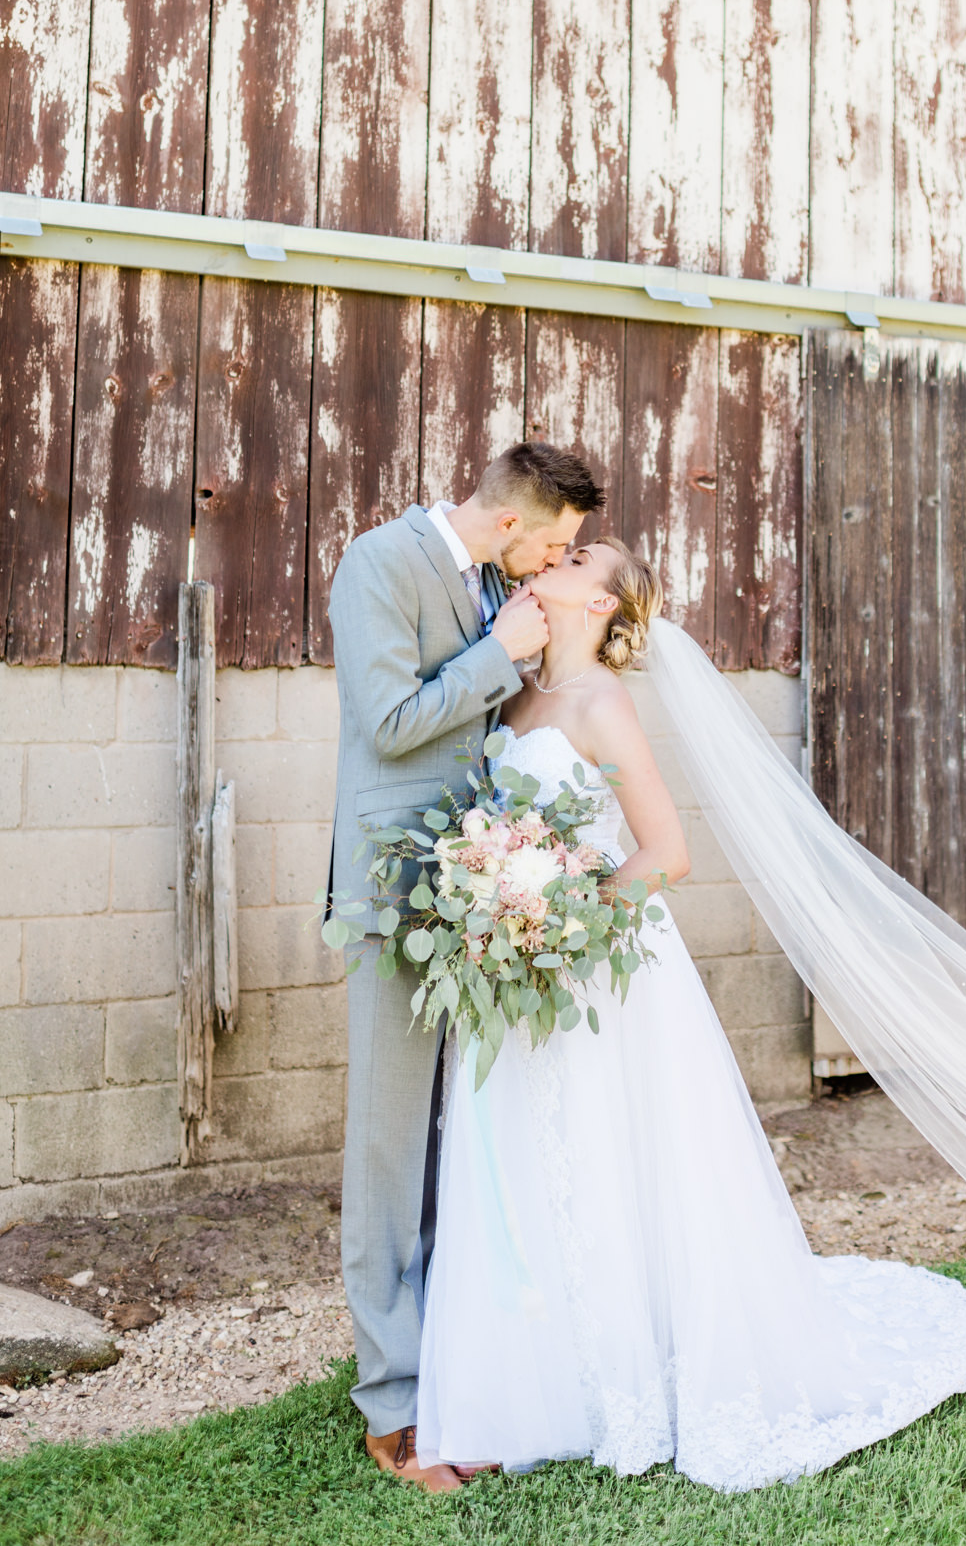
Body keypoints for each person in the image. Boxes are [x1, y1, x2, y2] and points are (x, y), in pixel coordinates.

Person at [414, 537, 966, 1493]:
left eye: (575, 563)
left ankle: (633, 1359)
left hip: (598, 974)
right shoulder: (514, 695)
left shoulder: (604, 705)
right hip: (524, 981)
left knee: (615, 1159)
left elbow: (666, 853)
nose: (549, 564)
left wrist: (550, 920)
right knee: (530, 1161)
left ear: (603, 606)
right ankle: (538, 1379)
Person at [326, 442, 603, 1491]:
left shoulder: (493, 582)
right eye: (557, 545)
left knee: (463, 1146)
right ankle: (392, 1406)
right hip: (398, 900)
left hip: (480, 900)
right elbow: (389, 725)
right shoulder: (378, 565)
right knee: (392, 1153)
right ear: (515, 522)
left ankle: (458, 1367)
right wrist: (500, 655)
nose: (554, 564)